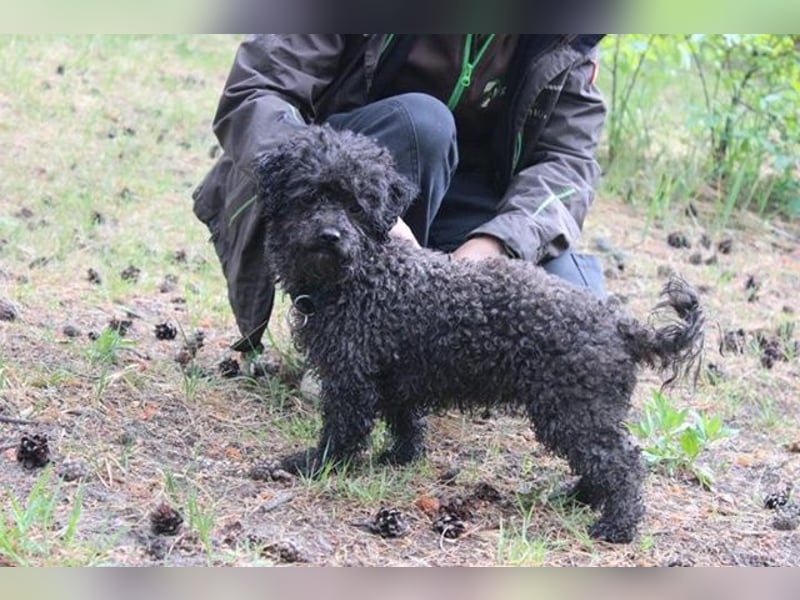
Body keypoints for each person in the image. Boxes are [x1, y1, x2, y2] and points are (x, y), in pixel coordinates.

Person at [193, 34, 608, 355]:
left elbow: (567, 160)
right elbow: (256, 92)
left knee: (578, 316)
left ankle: (417, 351)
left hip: (472, 199)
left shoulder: (567, 30)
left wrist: (495, 244)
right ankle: (345, 340)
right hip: (349, 187)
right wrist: (370, 216)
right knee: (424, 125)